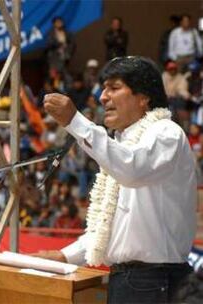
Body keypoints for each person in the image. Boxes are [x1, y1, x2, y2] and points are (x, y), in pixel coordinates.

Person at [38, 56, 197, 303]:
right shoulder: (121, 146)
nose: (103, 97)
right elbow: (111, 229)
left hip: (155, 281)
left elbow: (132, 168)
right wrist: (64, 256)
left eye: (114, 87)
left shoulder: (166, 132)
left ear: (143, 98)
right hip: (130, 280)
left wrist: (76, 122)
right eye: (103, 88)